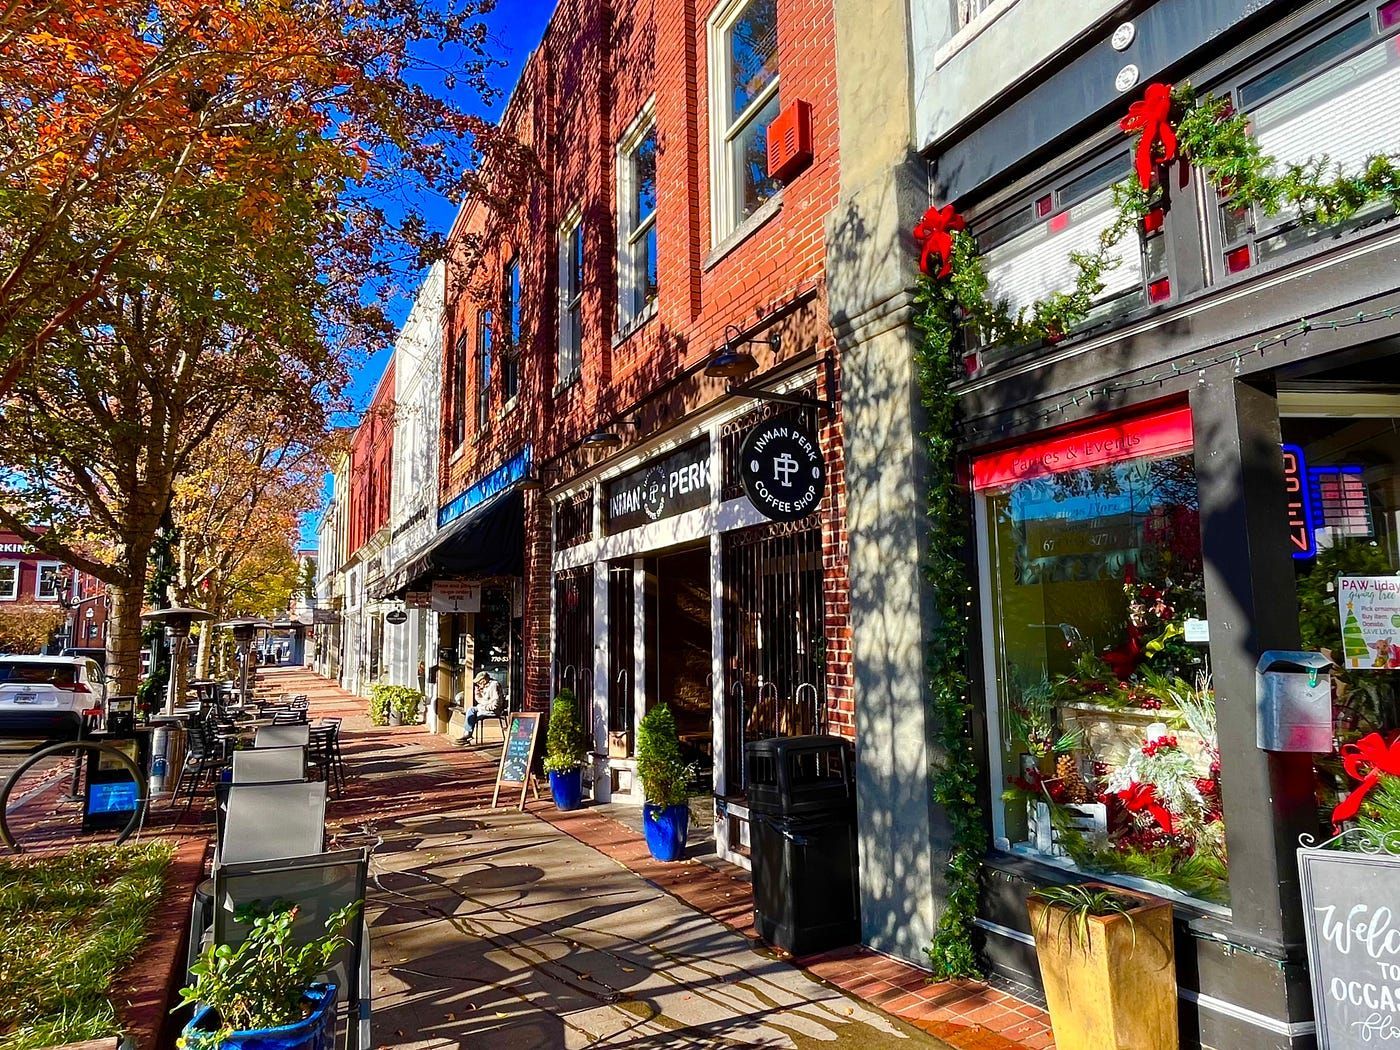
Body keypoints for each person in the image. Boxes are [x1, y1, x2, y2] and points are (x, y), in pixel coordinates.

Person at [457, 671, 501, 745]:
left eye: (479, 682)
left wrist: (483, 708)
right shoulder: (484, 687)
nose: (478, 684)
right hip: (484, 708)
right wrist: (478, 695)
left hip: (492, 710)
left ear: (484, 680)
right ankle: (467, 735)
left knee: (472, 716)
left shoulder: (494, 685)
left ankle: (467, 736)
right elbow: (481, 701)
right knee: (470, 711)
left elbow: (495, 704)